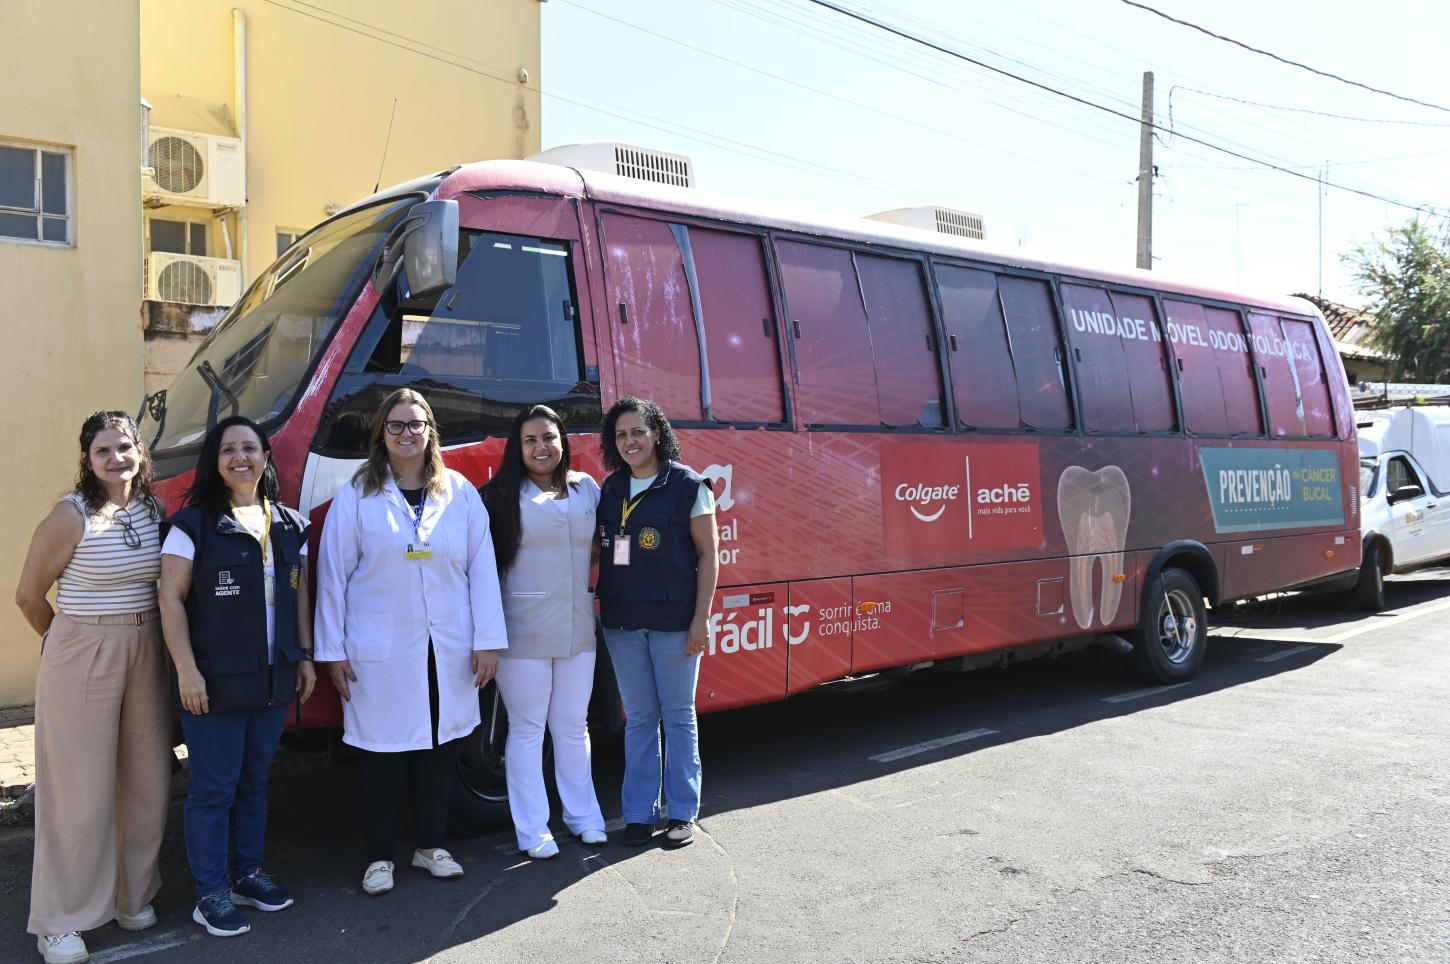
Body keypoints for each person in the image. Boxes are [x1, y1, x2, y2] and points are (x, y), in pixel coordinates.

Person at [314, 388, 507, 897]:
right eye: (396, 425)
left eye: (415, 424)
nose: (406, 434)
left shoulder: (459, 492)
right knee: (383, 754)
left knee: (440, 748)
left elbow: (482, 570)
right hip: (379, 648)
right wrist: (331, 650)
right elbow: (332, 575)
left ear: (430, 432)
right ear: (381, 433)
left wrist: (488, 640)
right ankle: (379, 858)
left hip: (447, 645)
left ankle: (430, 846)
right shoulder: (357, 493)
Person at [16, 412, 173, 964]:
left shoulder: (153, 509)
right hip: (83, 648)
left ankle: (132, 895)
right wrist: (67, 642)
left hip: (147, 646)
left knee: (146, 780)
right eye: (103, 450)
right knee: (78, 792)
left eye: (124, 447)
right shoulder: (70, 514)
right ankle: (59, 920)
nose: (116, 459)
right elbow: (29, 596)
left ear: (140, 451)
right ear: (86, 458)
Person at [157, 415, 316, 938]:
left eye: (250, 447)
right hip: (214, 682)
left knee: (254, 781)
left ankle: (248, 874)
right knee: (213, 790)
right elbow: (171, 601)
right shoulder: (192, 525)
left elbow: (299, 595)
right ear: (215, 461)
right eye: (229, 449)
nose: (240, 457)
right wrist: (187, 672)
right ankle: (211, 893)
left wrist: (305, 656)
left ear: (267, 458)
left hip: (274, 678)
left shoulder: (291, 524)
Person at [481, 405, 607, 859]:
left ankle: (584, 817)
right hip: (522, 632)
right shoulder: (498, 497)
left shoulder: (585, 488)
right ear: (518, 446)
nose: (541, 447)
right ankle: (533, 829)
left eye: (549, 438)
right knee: (529, 728)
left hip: (578, 629)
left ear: (563, 442)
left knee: (573, 725)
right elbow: (485, 571)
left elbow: (602, 546)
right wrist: (487, 637)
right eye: (531, 439)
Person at [595, 396, 720, 849]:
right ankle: (639, 813)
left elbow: (709, 555)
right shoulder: (609, 489)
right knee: (641, 718)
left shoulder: (689, 486)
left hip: (673, 620)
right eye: (621, 434)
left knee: (678, 716)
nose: (630, 441)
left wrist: (701, 619)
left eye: (638, 432)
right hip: (621, 622)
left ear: (657, 435)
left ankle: (682, 813)